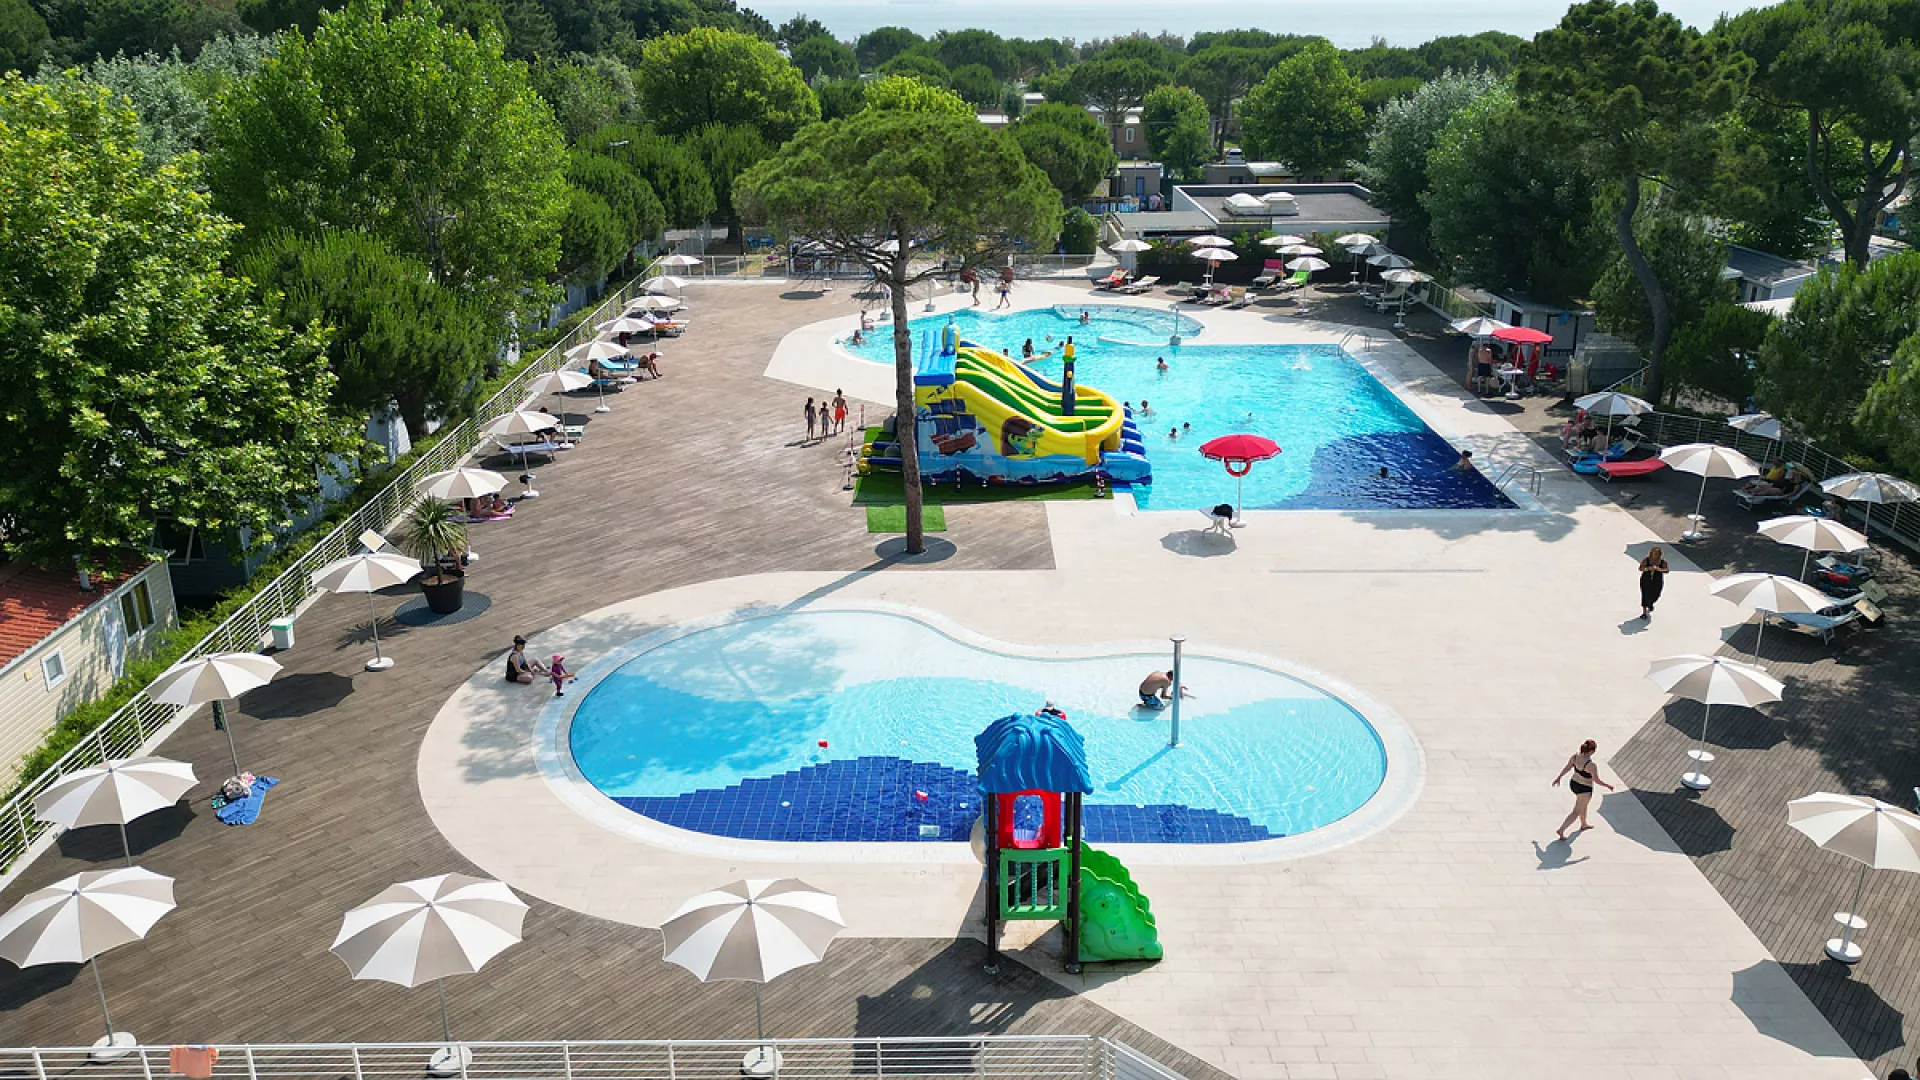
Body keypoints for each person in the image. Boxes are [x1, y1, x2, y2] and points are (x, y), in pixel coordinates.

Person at [1552, 739, 1615, 838]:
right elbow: (1596, 780)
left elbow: (1567, 767)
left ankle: (1583, 824)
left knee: (1583, 805)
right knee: (1576, 811)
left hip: (1574, 784)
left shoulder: (1575, 756)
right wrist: (1608, 785)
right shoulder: (1591, 765)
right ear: (1592, 751)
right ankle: (1561, 829)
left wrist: (1559, 777)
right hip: (1584, 788)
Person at [1638, 546, 1669, 618]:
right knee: (1645, 595)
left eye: (1657, 554)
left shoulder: (1663, 562)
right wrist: (1648, 568)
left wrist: (1658, 569)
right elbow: (1640, 568)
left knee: (1656, 595)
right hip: (1646, 580)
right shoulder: (1646, 560)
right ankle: (1644, 612)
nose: (1655, 555)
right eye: (1654, 553)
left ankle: (1650, 603)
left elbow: (1667, 570)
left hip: (1657, 581)